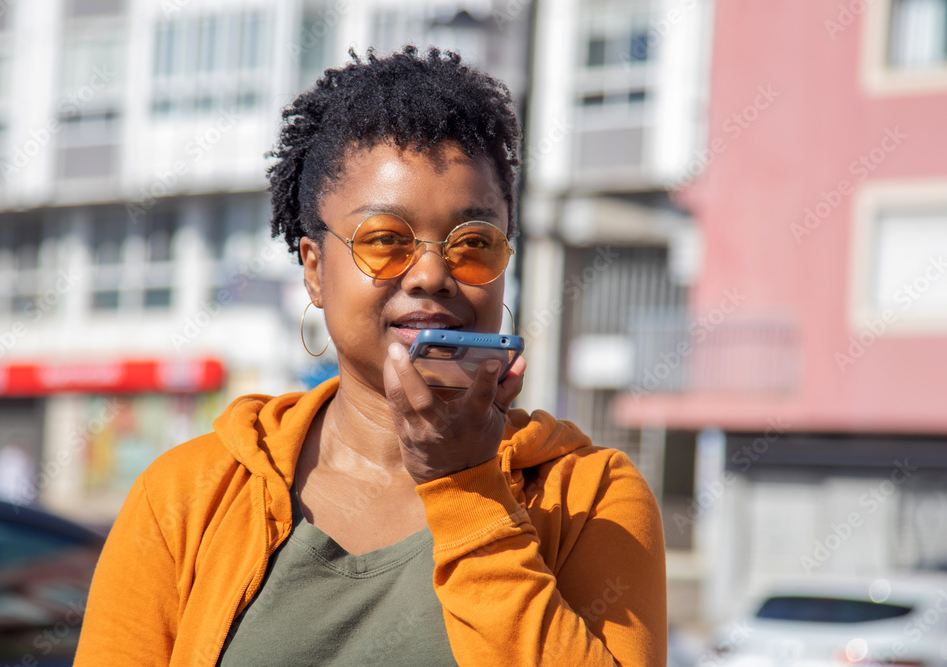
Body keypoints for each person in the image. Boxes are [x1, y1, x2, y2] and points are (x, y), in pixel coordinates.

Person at [74, 46, 666, 666]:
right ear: (313, 270)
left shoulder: (591, 498)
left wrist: (465, 486)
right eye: (385, 240)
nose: (433, 274)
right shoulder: (187, 495)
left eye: (475, 242)